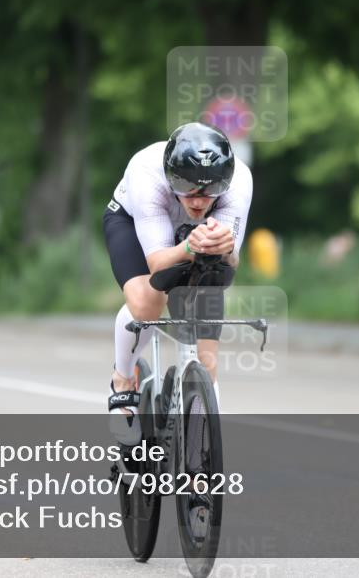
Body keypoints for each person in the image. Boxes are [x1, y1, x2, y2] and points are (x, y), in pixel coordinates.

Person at [103, 122, 252, 443]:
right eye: (187, 187)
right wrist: (188, 247)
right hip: (133, 221)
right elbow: (157, 262)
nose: (198, 200)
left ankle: (204, 414)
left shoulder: (239, 180)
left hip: (193, 237)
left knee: (211, 274)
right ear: (171, 177)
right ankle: (123, 379)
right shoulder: (146, 172)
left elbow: (232, 263)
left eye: (210, 190)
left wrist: (224, 249)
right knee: (147, 302)